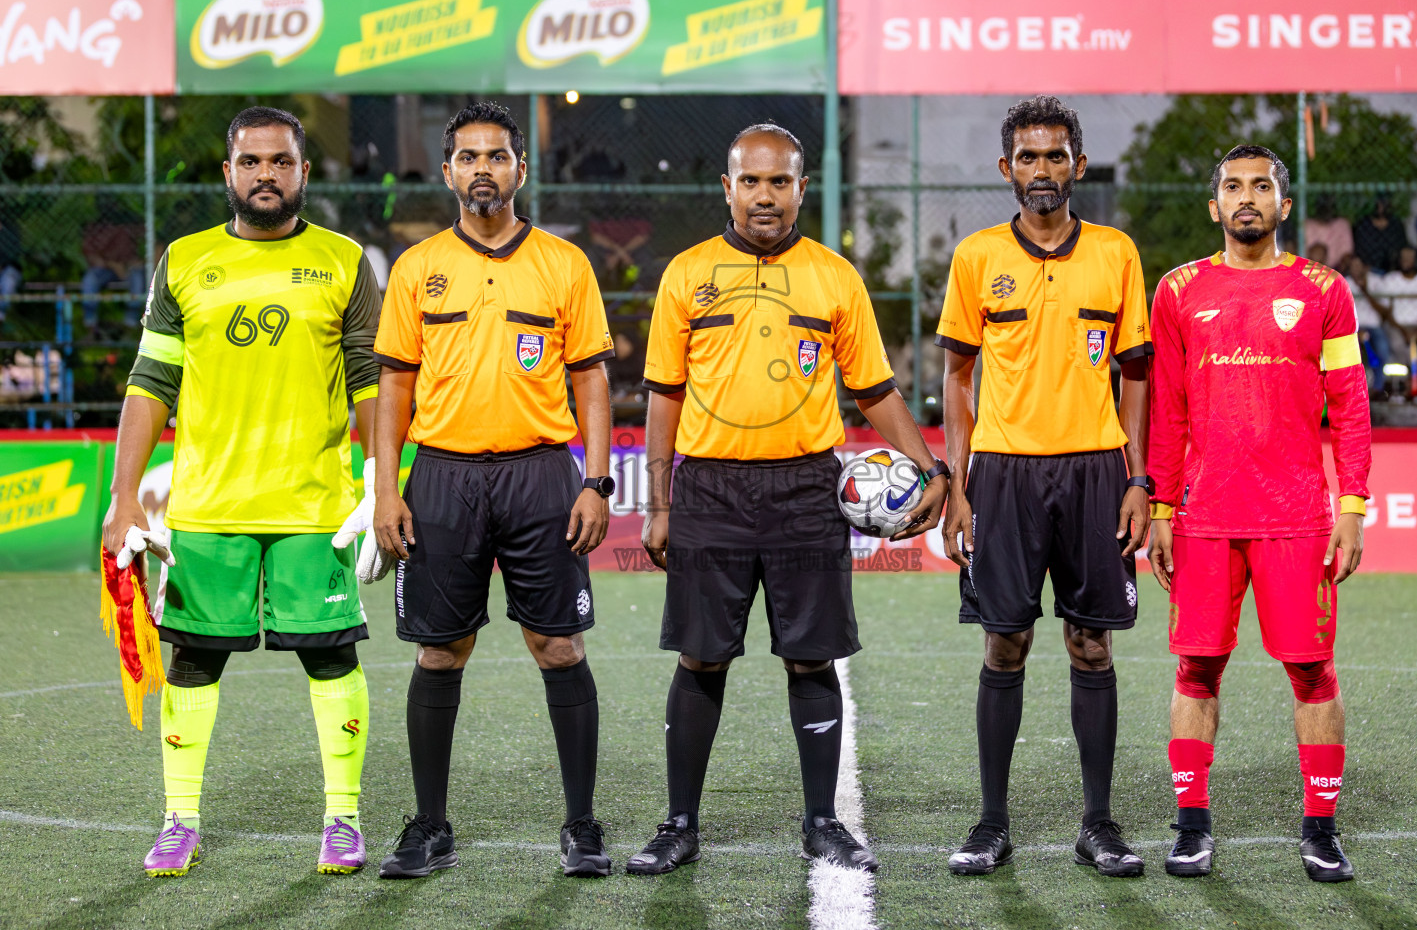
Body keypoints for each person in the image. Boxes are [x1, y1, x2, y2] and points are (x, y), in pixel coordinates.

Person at [627, 123, 948, 876]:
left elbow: (875, 390)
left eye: (780, 181)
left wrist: (931, 467)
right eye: (751, 181)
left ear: (802, 188)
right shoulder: (687, 274)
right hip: (709, 487)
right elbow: (663, 397)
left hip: (807, 487)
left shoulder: (834, 277)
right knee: (702, 657)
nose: (765, 195)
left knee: (811, 659)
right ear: (727, 188)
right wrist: (660, 501)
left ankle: (822, 821)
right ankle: (679, 823)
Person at [102, 106, 382, 878]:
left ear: (302, 171)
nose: (267, 174)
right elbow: (150, 383)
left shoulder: (345, 261)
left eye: (282, 162)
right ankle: (179, 819)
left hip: (313, 509)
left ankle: (344, 820)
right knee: (192, 663)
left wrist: (382, 489)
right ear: (228, 173)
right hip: (206, 508)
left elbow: (370, 386)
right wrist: (122, 500)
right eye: (252, 162)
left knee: (331, 661)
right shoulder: (185, 260)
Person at [371, 102, 617, 879]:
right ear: (447, 171)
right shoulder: (415, 267)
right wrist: (386, 491)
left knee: (558, 645)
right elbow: (392, 387)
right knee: (441, 651)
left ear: (519, 168)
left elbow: (593, 378)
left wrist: (597, 480)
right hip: (440, 474)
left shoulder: (564, 264)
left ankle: (581, 825)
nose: (484, 168)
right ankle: (429, 825)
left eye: (498, 156)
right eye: (469, 157)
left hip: (541, 473)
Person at [937, 96, 1153, 878]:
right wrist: (957, 483)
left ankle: (1098, 823)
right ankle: (992, 822)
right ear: (1006, 170)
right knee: (1007, 641)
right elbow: (957, 377)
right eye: (1027, 158)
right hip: (1003, 472)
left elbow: (1136, 376)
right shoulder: (977, 258)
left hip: (1097, 471)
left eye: (1056, 156)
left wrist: (1140, 479)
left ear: (1079, 165)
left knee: (1090, 644)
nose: (1042, 171)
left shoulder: (1117, 254)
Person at [1147, 144, 1371, 883]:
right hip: (1206, 517)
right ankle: (1191, 828)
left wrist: (1352, 504)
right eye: (1234, 187)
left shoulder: (1323, 289)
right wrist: (1162, 507)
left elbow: (1351, 403)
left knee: (1312, 672)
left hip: (1299, 516)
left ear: (1283, 204)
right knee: (1197, 668)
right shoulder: (1178, 290)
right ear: (1215, 207)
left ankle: (1321, 829)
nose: (1249, 197)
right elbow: (1169, 411)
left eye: (1263, 186)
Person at [80, 198, 146, 337]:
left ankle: (130, 325)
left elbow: (151, 241)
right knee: (90, 279)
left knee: (138, 277)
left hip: (128, 268)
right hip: (106, 268)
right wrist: (113, 265)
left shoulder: (128, 224)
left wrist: (139, 261)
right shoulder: (94, 227)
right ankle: (91, 326)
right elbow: (91, 256)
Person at [1375, 244, 1417, 389]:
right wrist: (1403, 330)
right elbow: (1387, 313)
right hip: (1396, 325)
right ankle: (1407, 379)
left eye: (1409, 258)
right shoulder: (1390, 280)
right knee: (1397, 343)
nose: (1405, 261)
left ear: (1416, 260)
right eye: (1403, 258)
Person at [1341, 254, 1389, 392]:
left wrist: (1365, 291)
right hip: (1352, 328)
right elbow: (1341, 311)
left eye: (1358, 266)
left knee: (1382, 349)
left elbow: (1384, 311)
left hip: (1374, 326)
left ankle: (1378, 389)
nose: (1356, 269)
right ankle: (1353, 392)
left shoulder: (1377, 282)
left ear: (1365, 267)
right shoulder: (1344, 282)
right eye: (1353, 266)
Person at [1351, 193, 1408, 275]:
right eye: (1378, 203)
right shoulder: (1363, 225)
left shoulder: (1396, 225)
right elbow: (1357, 251)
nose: (1380, 206)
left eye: (1383, 203)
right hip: (1367, 271)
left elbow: (1401, 248)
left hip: (1393, 272)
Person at [1304, 194, 1352, 269]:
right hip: (1312, 267)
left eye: (1329, 207)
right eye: (1323, 207)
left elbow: (1347, 253)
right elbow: (1306, 253)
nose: (1325, 210)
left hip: (1337, 268)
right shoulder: (1308, 225)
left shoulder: (1342, 224)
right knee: (1318, 250)